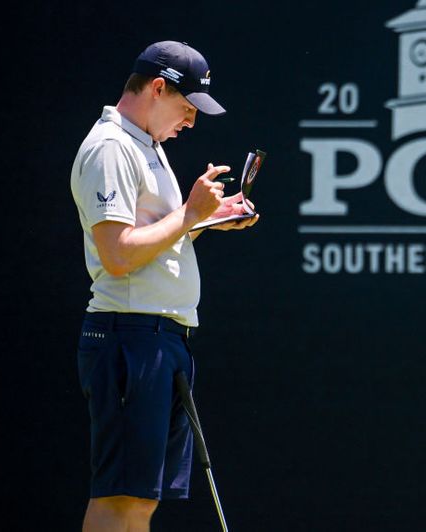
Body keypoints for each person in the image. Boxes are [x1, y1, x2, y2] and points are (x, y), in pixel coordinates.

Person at [70, 41, 258, 531]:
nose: (191, 121)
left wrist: (206, 219)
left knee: (141, 499)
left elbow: (152, 239)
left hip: (161, 338)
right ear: (157, 88)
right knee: (120, 497)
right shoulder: (112, 147)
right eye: (188, 107)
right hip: (129, 336)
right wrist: (189, 214)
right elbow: (117, 256)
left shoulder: (144, 144)